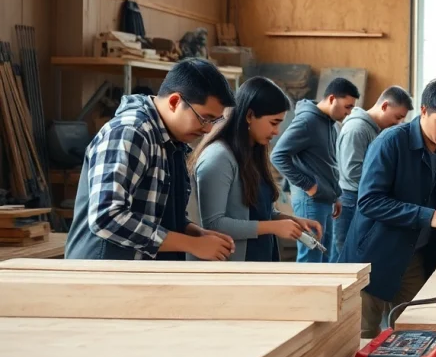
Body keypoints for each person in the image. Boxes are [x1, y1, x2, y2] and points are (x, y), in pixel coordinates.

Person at [339, 78, 436, 339]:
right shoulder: (391, 143)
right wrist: (429, 215)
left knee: (415, 331)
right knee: (360, 336)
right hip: (374, 256)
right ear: (424, 111)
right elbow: (369, 201)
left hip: (417, 258)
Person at [65, 58, 238, 261]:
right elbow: (107, 217)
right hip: (103, 276)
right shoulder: (130, 132)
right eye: (204, 118)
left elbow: (157, 213)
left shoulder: (172, 143)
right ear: (174, 102)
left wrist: (194, 232)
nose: (208, 129)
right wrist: (191, 244)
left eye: (214, 121)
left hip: (137, 276)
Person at [190, 77, 324, 262]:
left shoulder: (253, 153)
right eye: (274, 122)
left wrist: (289, 220)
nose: (277, 131)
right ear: (249, 115)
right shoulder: (218, 157)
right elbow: (214, 224)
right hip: (234, 268)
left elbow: (258, 212)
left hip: (260, 258)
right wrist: (272, 227)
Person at [271, 77, 359, 263]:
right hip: (310, 201)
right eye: (347, 106)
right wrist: (309, 186)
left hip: (326, 201)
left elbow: (328, 164)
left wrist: (336, 196)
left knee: (325, 257)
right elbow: (278, 155)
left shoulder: (330, 124)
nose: (349, 112)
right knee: (310, 259)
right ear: (333, 98)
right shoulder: (307, 121)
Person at [333, 86, 414, 248]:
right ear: (384, 106)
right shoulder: (357, 129)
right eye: (397, 117)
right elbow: (352, 171)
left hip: (362, 196)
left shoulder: (375, 129)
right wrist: (386, 183)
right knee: (343, 258)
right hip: (351, 200)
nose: (398, 123)